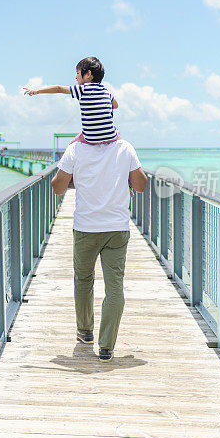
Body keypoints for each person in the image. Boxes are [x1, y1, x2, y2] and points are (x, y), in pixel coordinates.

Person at [51, 138, 147, 361]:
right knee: (115, 286)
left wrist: (81, 178)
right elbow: (141, 185)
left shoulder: (74, 150)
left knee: (84, 279)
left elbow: (58, 188)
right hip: (117, 228)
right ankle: (107, 347)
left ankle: (85, 332)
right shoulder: (125, 148)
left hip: (86, 228)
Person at [23, 56, 119, 145]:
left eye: (77, 73)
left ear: (88, 74)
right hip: (111, 136)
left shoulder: (82, 89)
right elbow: (115, 105)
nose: (75, 77)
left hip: (90, 137)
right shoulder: (106, 92)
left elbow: (58, 88)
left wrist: (37, 91)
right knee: (118, 136)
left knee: (72, 144)